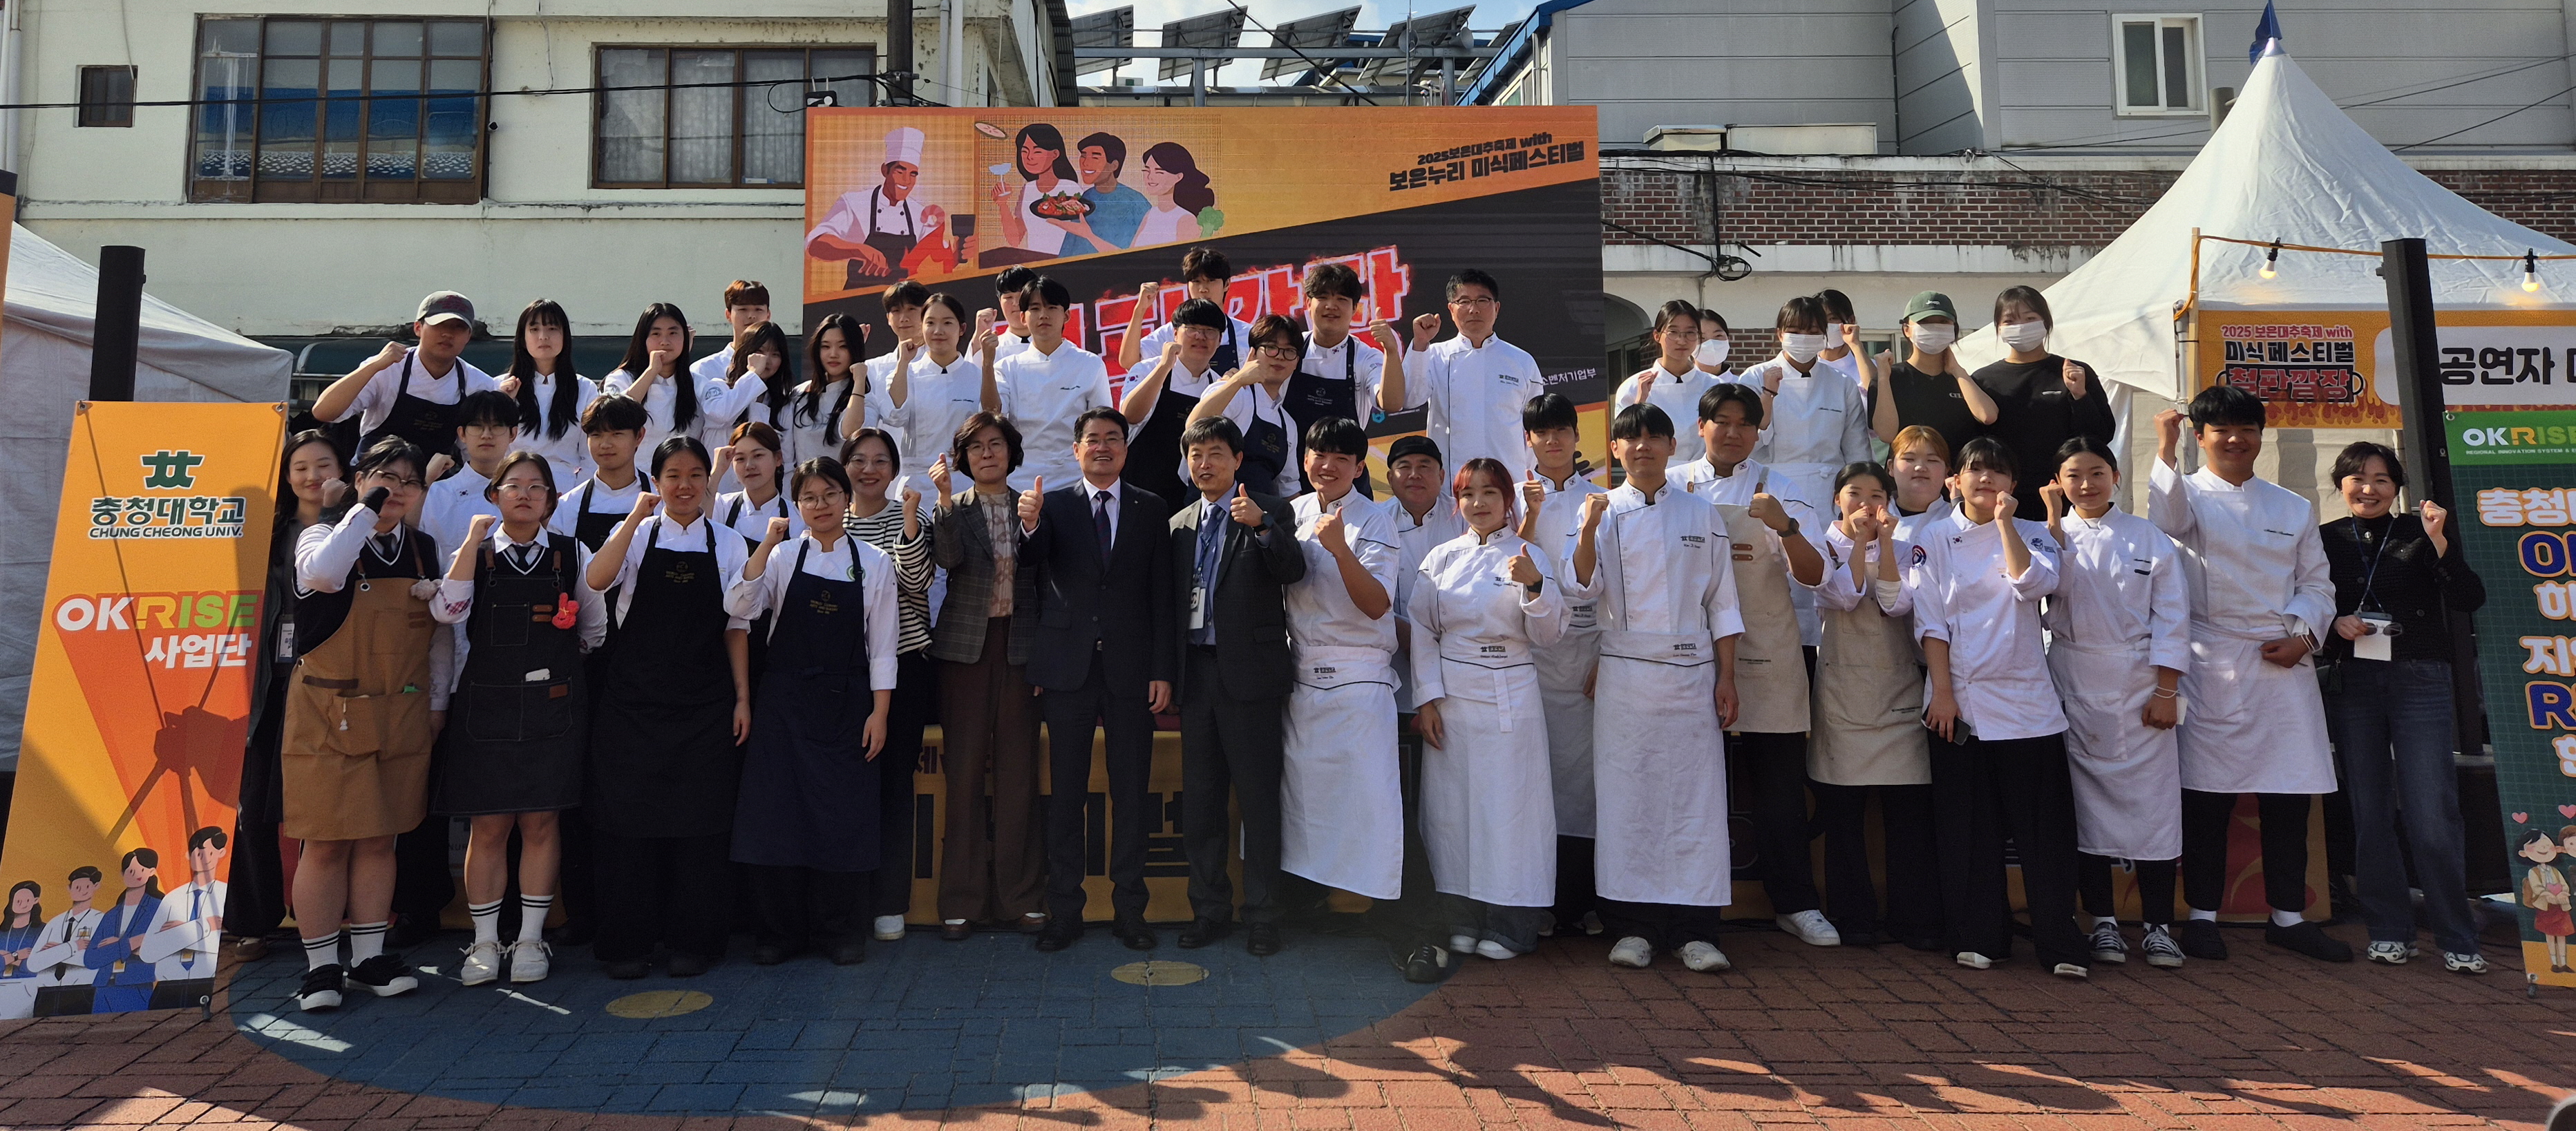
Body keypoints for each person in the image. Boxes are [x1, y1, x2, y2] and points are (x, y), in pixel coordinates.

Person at [2148, 388, 2350, 964]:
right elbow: (2163, 521)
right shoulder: (2183, 494)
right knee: (2208, 797)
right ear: (2201, 435)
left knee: (2287, 796)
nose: (2235, 439)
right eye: (2220, 430)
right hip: (2210, 657)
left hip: (2282, 662)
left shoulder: (2292, 506)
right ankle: (2203, 916)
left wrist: (2304, 637)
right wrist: (2166, 447)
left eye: (2247, 428)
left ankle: (2288, 917)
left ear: (2261, 435)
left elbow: (2318, 584)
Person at [1566, 406, 1745, 973]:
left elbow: (1722, 602)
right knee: (1628, 801)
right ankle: (1633, 927)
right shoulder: (1599, 509)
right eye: (1629, 439)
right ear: (1614, 449)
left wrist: (1728, 676)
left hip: (1693, 677)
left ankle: (1696, 930)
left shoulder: (1702, 512)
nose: (1642, 447)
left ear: (1672, 445)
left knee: (1696, 800)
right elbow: (1581, 586)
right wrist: (1590, 526)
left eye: (1652, 438)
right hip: (1624, 674)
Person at [1910, 436, 2087, 978]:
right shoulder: (1934, 537)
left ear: (2013, 483)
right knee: (1970, 829)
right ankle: (1981, 934)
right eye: (1975, 470)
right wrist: (1943, 692)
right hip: (1959, 701)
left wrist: (2009, 525)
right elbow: (1930, 619)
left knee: (2045, 832)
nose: (1985, 479)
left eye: (1997, 471)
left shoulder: (2036, 533)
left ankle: (2059, 941)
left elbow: (2036, 584)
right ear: (1954, 481)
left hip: (2028, 703)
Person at [430, 453, 606, 987]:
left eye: (537, 487)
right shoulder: (477, 555)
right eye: (514, 486)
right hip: (486, 707)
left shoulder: (572, 552)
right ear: (494, 496)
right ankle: (484, 942)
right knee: (488, 826)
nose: (525, 495)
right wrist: (468, 543)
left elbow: (594, 629)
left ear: (552, 499)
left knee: (541, 823)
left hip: (552, 709)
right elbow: (447, 610)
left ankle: (530, 938)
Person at [283, 437, 446, 1011]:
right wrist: (360, 509)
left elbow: (439, 636)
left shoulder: (424, 549)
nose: (395, 489)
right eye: (383, 477)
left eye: (407, 479)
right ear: (358, 481)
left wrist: (437, 703)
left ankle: (370, 955)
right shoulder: (322, 536)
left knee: (382, 837)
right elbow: (325, 576)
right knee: (325, 842)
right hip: (328, 710)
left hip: (400, 709)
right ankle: (321, 965)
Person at [582, 437, 752, 979]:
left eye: (696, 475)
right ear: (656, 482)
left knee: (700, 826)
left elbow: (736, 626)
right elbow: (596, 578)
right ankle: (628, 942)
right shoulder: (633, 535)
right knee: (627, 825)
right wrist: (634, 518)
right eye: (673, 475)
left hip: (704, 704)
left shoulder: (728, 543)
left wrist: (743, 697)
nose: (685, 485)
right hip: (633, 703)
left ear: (708, 482)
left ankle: (694, 942)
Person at [2318, 440, 2487, 973]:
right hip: (2356, 680)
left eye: (2381, 479)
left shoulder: (2422, 532)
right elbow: (2304, 598)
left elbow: (2468, 597)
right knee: (2370, 811)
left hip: (2421, 677)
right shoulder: (2322, 538)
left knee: (2431, 811)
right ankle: (2390, 929)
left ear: (2397, 488)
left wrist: (2440, 542)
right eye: (2357, 478)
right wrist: (2334, 622)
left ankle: (2458, 935)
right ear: (2340, 484)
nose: (2368, 488)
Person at [727, 458, 900, 967]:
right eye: (809, 497)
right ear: (797, 505)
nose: (820, 505)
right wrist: (765, 543)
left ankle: (840, 930)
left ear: (847, 499)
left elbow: (884, 646)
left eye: (829, 494)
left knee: (841, 819)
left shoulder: (874, 562)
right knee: (778, 818)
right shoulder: (781, 557)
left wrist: (880, 713)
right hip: (784, 705)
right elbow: (739, 606)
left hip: (848, 706)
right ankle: (780, 932)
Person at [1019, 407, 1175, 951]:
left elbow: (1163, 595)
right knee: (1066, 794)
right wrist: (1031, 523)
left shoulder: (1151, 508)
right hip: (1067, 668)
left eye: (1114, 439)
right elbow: (1031, 565)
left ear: (1126, 450)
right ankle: (1066, 910)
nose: (1103, 447)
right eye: (1093, 440)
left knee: (1131, 791)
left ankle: (1130, 909)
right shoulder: (1053, 505)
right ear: (1076, 449)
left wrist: (1162, 670)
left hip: (1133, 671)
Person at [1681, 404, 1832, 949]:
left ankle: (1795, 903)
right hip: (1693, 655)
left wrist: (1785, 527)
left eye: (1745, 423)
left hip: (1769, 649)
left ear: (1757, 432)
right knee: (1696, 788)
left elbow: (1817, 575)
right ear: (1700, 427)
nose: (1732, 432)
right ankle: (1692, 908)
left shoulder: (1782, 487)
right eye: (1720, 421)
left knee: (1781, 789)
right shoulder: (1675, 484)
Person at [2038, 437, 2188, 971]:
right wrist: (2052, 527)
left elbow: (2173, 617)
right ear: (2059, 480)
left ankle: (2158, 925)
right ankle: (2101, 921)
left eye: (2097, 472)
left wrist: (2167, 691)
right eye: (2074, 474)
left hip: (2141, 686)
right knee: (2085, 810)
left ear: (2117, 476)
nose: (2087, 484)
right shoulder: (2046, 536)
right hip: (2073, 682)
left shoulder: (2149, 537)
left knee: (2154, 808)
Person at [1412, 457, 1564, 959]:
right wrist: (1428, 698)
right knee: (1452, 812)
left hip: (1510, 696)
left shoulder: (1529, 554)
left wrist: (1535, 586)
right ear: (1457, 503)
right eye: (1468, 494)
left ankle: (1511, 922)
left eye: (1489, 493)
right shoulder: (1440, 558)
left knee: (1510, 812)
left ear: (1508, 501)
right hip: (1453, 698)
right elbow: (1422, 631)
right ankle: (1462, 916)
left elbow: (1549, 634)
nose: (1478, 503)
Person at [1164, 417, 1306, 953]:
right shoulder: (1178, 523)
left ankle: (1265, 914)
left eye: (1216, 453)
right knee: (1201, 801)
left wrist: (1264, 526)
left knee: (1258, 801)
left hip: (1251, 677)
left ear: (1238, 460)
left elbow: (1294, 571)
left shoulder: (1271, 509)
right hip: (1197, 676)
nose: (1205, 464)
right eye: (1196, 454)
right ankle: (1209, 909)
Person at [1808, 462, 1940, 950]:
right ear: (1836, 499)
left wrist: (1883, 543)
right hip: (1843, 693)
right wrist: (1862, 543)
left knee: (1907, 815)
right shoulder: (1820, 547)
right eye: (1854, 492)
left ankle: (1914, 919)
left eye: (1876, 493)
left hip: (1899, 691)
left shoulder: (1908, 550)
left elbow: (1895, 603)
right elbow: (1845, 595)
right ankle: (1853, 917)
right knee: (1844, 816)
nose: (1866, 502)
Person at [1280, 418, 1405, 922]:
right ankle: (1312, 901)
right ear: (1304, 458)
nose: (1327, 465)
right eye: (1318, 454)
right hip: (1301, 676)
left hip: (1359, 683)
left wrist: (1340, 547)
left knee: (1363, 800)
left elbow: (1378, 604)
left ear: (1358, 467)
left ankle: (1360, 904)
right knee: (1305, 802)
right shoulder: (1289, 513)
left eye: (1340, 458)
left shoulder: (1376, 521)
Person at [929, 412, 1047, 940]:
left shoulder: (1032, 506)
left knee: (1020, 774)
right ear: (963, 458)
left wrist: (1035, 523)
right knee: (965, 772)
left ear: (1011, 451)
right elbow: (949, 561)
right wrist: (945, 503)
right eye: (975, 447)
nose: (986, 454)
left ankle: (1020, 898)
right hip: (964, 652)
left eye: (995, 445)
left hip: (1020, 650)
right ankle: (961, 900)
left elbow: (1045, 579)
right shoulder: (955, 508)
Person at [229, 431, 347, 962]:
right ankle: (253, 920)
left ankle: (324, 914)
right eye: (300, 466)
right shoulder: (267, 532)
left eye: (323, 464)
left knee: (324, 807)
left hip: (331, 682)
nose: (312, 475)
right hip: (270, 686)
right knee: (255, 806)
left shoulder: (355, 526)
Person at [1514, 394, 1609, 935]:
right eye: (1541, 432)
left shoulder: (1604, 500)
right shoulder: (1512, 501)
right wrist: (1527, 516)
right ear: (1528, 439)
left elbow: (1616, 587)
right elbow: (1508, 567)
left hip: (1589, 659)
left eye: (1562, 431)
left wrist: (1606, 657)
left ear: (1578, 437)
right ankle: (1542, 903)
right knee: (1538, 782)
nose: (1552, 441)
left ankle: (1586, 901)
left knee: (1588, 786)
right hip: (1531, 657)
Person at [841, 429, 938, 944]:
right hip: (846, 670)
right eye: (859, 460)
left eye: (881, 460)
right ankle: (850, 897)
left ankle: (889, 901)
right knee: (849, 785)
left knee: (895, 785)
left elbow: (916, 582)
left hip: (904, 666)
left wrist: (905, 522)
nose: (869, 469)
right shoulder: (832, 517)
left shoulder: (912, 516)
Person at [1973, 287, 2112, 522]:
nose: (2020, 326)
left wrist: (2080, 395)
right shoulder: (1984, 380)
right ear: (1998, 328)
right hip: (2006, 500)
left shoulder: (2074, 372)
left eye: (2030, 319)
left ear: (2046, 323)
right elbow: (1976, 444)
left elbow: (2102, 436)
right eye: (2010, 320)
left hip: (2068, 498)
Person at [1743, 296, 1871, 548]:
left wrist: (1861, 496)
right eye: (1795, 331)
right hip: (1773, 491)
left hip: (1828, 495)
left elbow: (1857, 449)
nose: (1803, 337)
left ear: (1824, 335)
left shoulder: (1841, 383)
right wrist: (1767, 396)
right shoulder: (1754, 377)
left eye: (1813, 331)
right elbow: (1748, 442)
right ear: (1780, 334)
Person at [1387, 271, 1543, 475]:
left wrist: (1524, 473)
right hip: (1452, 485)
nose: (1473, 309)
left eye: (1482, 301)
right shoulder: (1434, 354)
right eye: (1464, 301)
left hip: (1510, 482)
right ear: (1451, 310)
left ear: (1496, 308)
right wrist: (1420, 344)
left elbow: (1537, 427)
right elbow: (1409, 398)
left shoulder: (1522, 361)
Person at [310, 291, 498, 460]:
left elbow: (477, 454)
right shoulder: (386, 368)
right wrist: (373, 366)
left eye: (458, 327)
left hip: (434, 487)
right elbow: (323, 412)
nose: (447, 333)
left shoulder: (479, 384)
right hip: (373, 477)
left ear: (468, 336)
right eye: (439, 325)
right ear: (418, 328)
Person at [1282, 264, 1405, 489]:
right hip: (1290, 480)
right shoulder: (1289, 349)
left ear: (1355, 308)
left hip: (1348, 482)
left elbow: (1392, 403)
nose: (1331, 306)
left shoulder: (1365, 357)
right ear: (1308, 304)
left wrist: (1391, 350)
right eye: (1322, 297)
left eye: (1341, 299)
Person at [986, 276, 1114, 492]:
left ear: (1066, 315)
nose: (1043, 315)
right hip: (1021, 481)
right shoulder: (1007, 367)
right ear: (1024, 317)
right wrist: (987, 364)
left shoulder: (1089, 364)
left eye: (1051, 307)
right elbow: (993, 414)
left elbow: (1103, 425)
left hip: (1074, 480)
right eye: (1035, 308)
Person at [1119, 298, 1230, 506]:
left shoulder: (1218, 386)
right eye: (1193, 329)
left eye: (1209, 330)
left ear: (1220, 339)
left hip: (1187, 500)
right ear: (1175, 333)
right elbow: (1130, 416)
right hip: (1137, 491)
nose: (1200, 336)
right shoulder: (1147, 369)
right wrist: (1163, 367)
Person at [806, 127, 946, 289]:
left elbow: (936, 259)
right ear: (885, 170)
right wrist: (858, 249)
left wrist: (959, 252)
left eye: (913, 174)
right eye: (900, 171)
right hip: (858, 298)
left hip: (904, 302)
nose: (907, 181)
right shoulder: (855, 203)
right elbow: (815, 245)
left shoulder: (919, 213)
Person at [1388, 435, 1466, 722]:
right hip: (1395, 658)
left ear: (1442, 475)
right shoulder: (1375, 521)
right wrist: (1404, 633)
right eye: (1404, 466)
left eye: (1424, 465)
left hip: (1455, 656)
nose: (1414, 475)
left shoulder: (1464, 516)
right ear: (1390, 477)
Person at [1188, 314, 1306, 498]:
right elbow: (1194, 427)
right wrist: (1239, 379)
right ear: (1252, 353)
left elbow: (1287, 488)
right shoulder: (1235, 392)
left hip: (1260, 519)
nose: (1280, 357)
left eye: (1289, 351)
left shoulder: (1288, 424)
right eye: (1271, 348)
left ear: (1296, 361)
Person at [878, 294, 985, 493]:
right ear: (922, 327)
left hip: (964, 483)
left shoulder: (977, 376)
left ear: (962, 329)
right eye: (930, 323)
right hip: (918, 485)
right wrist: (903, 363)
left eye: (947, 323)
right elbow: (894, 416)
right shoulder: (908, 373)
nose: (938, 331)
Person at [1867, 292, 1994, 456]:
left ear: (1954, 328)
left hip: (1956, 478)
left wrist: (1957, 370)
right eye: (1925, 322)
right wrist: (1883, 376)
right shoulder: (1891, 378)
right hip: (1907, 478)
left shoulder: (1964, 379)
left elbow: (1987, 416)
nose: (1935, 327)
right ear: (1906, 329)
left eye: (1943, 322)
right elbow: (1886, 434)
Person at [502, 298, 601, 489]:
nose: (543, 337)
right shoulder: (501, 387)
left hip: (567, 488)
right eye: (534, 329)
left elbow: (590, 454)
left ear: (565, 336)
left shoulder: (585, 388)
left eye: (552, 329)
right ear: (522, 338)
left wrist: (576, 496)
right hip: (514, 486)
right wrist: (502, 404)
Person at [1613, 301, 1719, 465]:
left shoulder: (1714, 387)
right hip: (1653, 475)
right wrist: (1639, 402)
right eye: (1673, 332)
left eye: (1690, 333)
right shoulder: (1633, 387)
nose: (1681, 340)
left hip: (1705, 477)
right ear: (1657, 336)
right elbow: (1624, 441)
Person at [1118, 247, 1251, 374]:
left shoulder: (1247, 334)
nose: (1203, 289)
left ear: (1227, 284)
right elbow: (1130, 363)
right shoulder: (1172, 331)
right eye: (1196, 281)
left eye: (1211, 281)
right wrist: (1140, 309)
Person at [600, 303, 710, 457]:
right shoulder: (622, 378)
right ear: (642, 338)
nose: (665, 341)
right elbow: (612, 416)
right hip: (635, 475)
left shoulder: (699, 384)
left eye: (673, 333)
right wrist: (651, 371)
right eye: (656, 334)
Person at [420, 390, 520, 556]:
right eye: (477, 426)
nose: (486, 435)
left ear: (513, 434)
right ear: (462, 434)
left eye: (496, 426)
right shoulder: (437, 493)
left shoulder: (526, 494)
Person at [138, 828, 229, 1009]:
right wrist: (205, 926)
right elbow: (148, 951)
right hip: (167, 988)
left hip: (208, 984)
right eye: (198, 853)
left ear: (221, 853)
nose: (204, 858)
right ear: (188, 855)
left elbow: (221, 944)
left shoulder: (225, 894)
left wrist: (179, 932)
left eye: (209, 853)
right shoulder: (173, 898)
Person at [551, 396, 652, 553]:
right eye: (596, 435)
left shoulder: (660, 499)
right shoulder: (569, 506)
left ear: (639, 436)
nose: (605, 445)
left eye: (616, 434)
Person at [81, 849, 163, 1013]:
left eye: (141, 870)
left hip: (136, 985)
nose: (134, 875)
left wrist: (115, 947)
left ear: (151, 872)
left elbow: (158, 947)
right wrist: (132, 943)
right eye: (130, 871)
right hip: (104, 987)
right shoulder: (111, 915)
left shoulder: (157, 907)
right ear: (123, 873)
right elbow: (91, 958)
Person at [709, 320, 796, 468]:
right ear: (744, 352)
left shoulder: (783, 403)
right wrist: (753, 373)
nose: (767, 360)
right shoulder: (718, 387)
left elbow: (786, 460)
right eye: (760, 352)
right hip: (721, 487)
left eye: (775, 354)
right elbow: (723, 414)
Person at [786, 313, 866, 473]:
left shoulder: (863, 397)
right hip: (801, 490)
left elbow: (848, 431)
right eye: (826, 346)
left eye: (843, 346)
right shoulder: (799, 394)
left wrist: (859, 381)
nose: (833, 354)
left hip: (840, 491)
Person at [991, 122, 1079, 263]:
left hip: (1066, 263)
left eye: (1037, 151)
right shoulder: (1028, 189)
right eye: (1024, 151)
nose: (1029, 157)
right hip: (1036, 264)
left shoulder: (1070, 188)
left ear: (1055, 154)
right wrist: (1003, 205)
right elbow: (1015, 240)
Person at [1050, 132, 1148, 255]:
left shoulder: (1136, 202)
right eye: (1083, 156)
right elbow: (1070, 245)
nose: (1085, 163)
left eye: (1095, 157)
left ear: (1114, 166)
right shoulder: (1085, 198)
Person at [716, 421, 804, 551]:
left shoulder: (798, 517)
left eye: (758, 456)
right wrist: (717, 471)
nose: (749, 466)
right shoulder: (721, 507)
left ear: (778, 458)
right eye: (740, 459)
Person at [26, 866, 102, 1016]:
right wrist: (71, 947)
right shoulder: (55, 923)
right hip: (46, 992)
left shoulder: (100, 920)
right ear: (69, 888)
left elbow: (93, 959)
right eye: (77, 887)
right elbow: (33, 963)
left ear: (96, 886)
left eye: (87, 887)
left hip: (81, 990)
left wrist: (54, 952)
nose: (82, 891)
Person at [688, 281, 775, 394]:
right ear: (728, 315)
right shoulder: (705, 369)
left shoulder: (775, 365)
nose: (751, 316)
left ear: (768, 315)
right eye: (743, 309)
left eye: (758, 309)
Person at [1132, 142, 1217, 249]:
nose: (1150, 177)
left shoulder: (1186, 220)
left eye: (1159, 172)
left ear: (1178, 177)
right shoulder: (1150, 214)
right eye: (1147, 170)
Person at [1888, 425, 1956, 540]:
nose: (1920, 467)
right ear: (1891, 468)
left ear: (1946, 471)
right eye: (1909, 459)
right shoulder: (1872, 515)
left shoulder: (1957, 519)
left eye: (1932, 460)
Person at [1, 882, 41, 1020]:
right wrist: (17, 956)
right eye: (18, 900)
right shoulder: (2, 932)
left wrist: (5, 957)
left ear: (35, 901)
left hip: (26, 990)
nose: (22, 904)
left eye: (27, 900)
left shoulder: (43, 931)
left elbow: (36, 967)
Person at [1813, 289, 1868, 392]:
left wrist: (1856, 345)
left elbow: (1877, 394)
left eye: (1833, 318)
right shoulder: (1807, 369)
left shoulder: (1870, 367)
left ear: (1851, 320)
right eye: (1820, 320)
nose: (1826, 326)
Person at [989, 267, 1039, 363]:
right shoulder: (992, 350)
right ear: (1000, 301)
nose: (1016, 303)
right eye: (1009, 297)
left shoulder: (1054, 346)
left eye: (1021, 296)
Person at [1694, 310, 1733, 377]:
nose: (1711, 343)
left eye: (1718, 336)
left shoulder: (1743, 384)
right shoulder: (1679, 385)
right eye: (1701, 338)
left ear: (1728, 339)